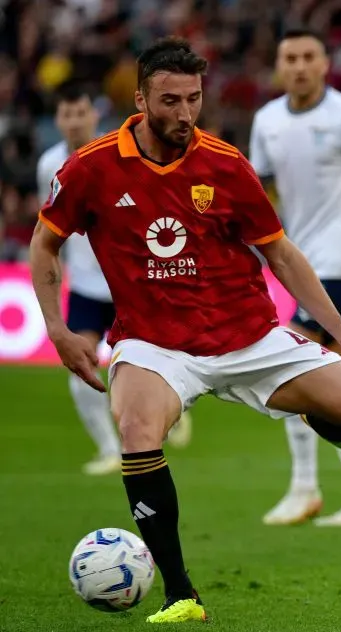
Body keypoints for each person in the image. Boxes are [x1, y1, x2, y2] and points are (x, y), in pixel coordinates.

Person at [30, 37, 341, 624]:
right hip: (155, 345)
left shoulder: (225, 164)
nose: (185, 113)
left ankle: (324, 416)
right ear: (140, 99)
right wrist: (58, 328)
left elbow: (281, 255)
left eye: (194, 99)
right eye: (170, 100)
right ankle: (181, 595)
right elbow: (44, 243)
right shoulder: (91, 167)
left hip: (249, 337)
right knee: (137, 428)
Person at [249, 28, 341, 528]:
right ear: (279, 65)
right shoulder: (267, 121)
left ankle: (305, 488)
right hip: (300, 256)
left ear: (324, 63)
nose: (298, 66)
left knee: (292, 359)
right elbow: (257, 195)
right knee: (328, 372)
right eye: (289, 57)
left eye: (307, 57)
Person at [37, 82, 193, 475]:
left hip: (131, 284)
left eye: (81, 113)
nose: (75, 122)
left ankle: (174, 410)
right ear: (58, 120)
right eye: (67, 115)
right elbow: (48, 230)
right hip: (86, 287)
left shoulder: (119, 154)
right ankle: (110, 450)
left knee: (160, 366)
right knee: (81, 369)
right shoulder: (48, 165)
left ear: (94, 115)